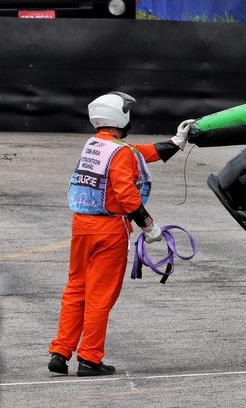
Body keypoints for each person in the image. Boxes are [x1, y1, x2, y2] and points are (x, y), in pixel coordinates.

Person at [48, 93, 192, 377]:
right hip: (109, 231)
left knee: (76, 289)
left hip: (81, 227)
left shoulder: (95, 145)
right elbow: (127, 194)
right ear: (121, 117)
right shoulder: (120, 152)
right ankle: (89, 358)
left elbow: (136, 154)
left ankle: (60, 351)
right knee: (101, 295)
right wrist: (148, 226)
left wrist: (175, 142)